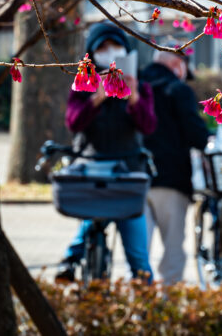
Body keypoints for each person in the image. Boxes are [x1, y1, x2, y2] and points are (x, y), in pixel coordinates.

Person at [55, 22, 156, 283]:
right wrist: (96, 98)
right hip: (91, 167)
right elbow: (73, 123)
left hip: (127, 171)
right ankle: (71, 260)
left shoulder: (140, 84)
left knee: (138, 254)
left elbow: (148, 125)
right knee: (93, 213)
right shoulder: (83, 83)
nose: (109, 52)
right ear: (91, 53)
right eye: (102, 48)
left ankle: (146, 302)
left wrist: (133, 97)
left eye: (115, 47)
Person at [140, 47, 210, 285]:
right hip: (171, 178)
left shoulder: (131, 86)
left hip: (134, 178)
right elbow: (196, 135)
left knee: (138, 250)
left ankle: (137, 304)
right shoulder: (178, 90)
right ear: (178, 65)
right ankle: (168, 303)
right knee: (172, 247)